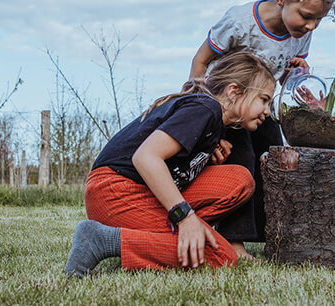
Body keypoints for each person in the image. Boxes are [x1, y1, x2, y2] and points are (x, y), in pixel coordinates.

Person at [188, 0, 335, 259]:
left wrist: (295, 74)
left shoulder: (301, 32)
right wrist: (201, 109)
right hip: (228, 109)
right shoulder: (240, 21)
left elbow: (281, 77)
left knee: (274, 156)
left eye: (319, 19)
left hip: (261, 109)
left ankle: (271, 233)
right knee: (242, 157)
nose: (311, 26)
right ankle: (233, 241)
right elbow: (200, 61)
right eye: (307, 16)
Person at [64, 52, 275, 276]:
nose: (267, 111)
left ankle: (168, 238)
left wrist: (201, 158)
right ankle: (101, 240)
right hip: (113, 192)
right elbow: (145, 157)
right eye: (263, 100)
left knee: (239, 180)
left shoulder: (209, 118)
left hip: (133, 190)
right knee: (220, 256)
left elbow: (170, 165)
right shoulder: (205, 109)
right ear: (233, 91)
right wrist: (184, 216)